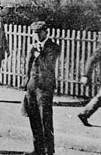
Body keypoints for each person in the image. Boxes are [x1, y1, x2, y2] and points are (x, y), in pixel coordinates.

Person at [22, 21, 60, 155]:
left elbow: (48, 66)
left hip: (45, 87)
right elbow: (27, 65)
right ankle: (38, 149)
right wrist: (26, 82)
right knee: (34, 119)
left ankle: (48, 150)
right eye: (34, 33)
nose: (36, 36)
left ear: (46, 32)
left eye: (39, 33)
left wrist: (37, 54)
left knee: (46, 120)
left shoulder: (53, 47)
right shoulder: (32, 46)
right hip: (32, 86)